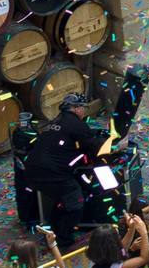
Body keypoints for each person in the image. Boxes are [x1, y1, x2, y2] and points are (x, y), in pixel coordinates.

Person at [24, 92, 103, 234]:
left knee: (62, 199)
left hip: (32, 170)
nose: (84, 111)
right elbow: (95, 147)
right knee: (75, 201)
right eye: (83, 108)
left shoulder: (55, 120)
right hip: (52, 173)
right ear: (76, 108)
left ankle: (54, 230)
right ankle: (63, 240)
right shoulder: (77, 124)